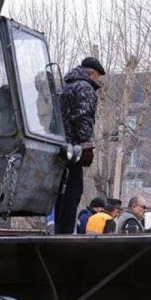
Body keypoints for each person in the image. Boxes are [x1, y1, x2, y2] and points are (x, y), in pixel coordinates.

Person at [54, 57, 106, 234]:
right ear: (91, 73)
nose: (97, 81)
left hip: (60, 146)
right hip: (74, 148)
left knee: (61, 192)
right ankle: (65, 232)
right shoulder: (85, 88)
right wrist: (85, 145)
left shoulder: (66, 86)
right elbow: (83, 117)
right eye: (97, 77)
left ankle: (59, 229)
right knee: (74, 191)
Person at [114, 195, 147, 300]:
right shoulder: (130, 221)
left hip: (124, 264)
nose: (144, 210)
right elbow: (134, 244)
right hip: (127, 266)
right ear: (134, 206)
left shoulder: (127, 218)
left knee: (125, 299)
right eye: (143, 207)